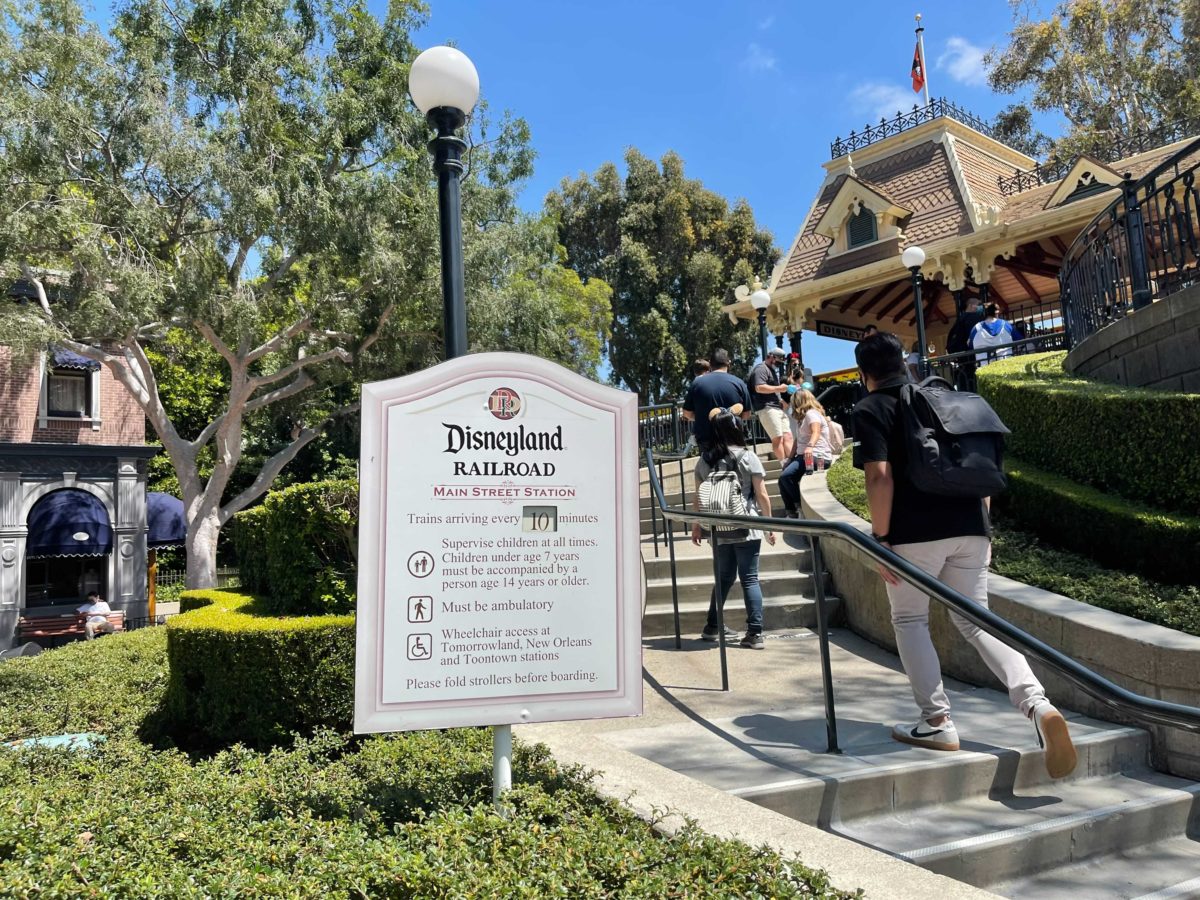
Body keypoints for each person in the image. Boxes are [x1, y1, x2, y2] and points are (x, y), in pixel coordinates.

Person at [851, 331, 1076, 778]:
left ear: (864, 374)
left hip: (913, 534)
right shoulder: (944, 397)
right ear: (903, 361)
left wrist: (879, 538)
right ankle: (1037, 704)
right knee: (977, 621)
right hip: (972, 526)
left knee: (910, 620)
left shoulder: (871, 407)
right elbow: (980, 469)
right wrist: (983, 528)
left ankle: (935, 722)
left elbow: (879, 477)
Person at [691, 405, 776, 650]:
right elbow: (762, 494)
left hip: (718, 526)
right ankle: (755, 632)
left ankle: (712, 627)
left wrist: (697, 525)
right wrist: (769, 525)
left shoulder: (705, 460)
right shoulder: (748, 457)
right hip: (746, 524)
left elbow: (698, 497)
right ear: (737, 428)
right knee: (749, 578)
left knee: (723, 578)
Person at [681, 348, 752, 453]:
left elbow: (687, 413)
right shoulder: (739, 383)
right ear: (729, 363)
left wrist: (706, 416)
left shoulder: (697, 384)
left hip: (707, 439)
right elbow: (747, 414)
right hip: (733, 438)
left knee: (709, 467)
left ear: (710, 364)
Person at [778, 389, 833, 518]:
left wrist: (810, 447)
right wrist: (789, 459)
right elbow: (798, 441)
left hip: (817, 455)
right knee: (782, 480)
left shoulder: (811, 414)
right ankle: (790, 512)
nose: (792, 406)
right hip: (803, 456)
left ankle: (799, 508)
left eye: (793, 402)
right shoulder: (801, 419)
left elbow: (816, 432)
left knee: (787, 476)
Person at [748, 347, 793, 462]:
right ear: (771, 357)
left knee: (788, 436)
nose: (779, 364)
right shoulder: (761, 369)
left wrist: (780, 400)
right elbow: (759, 387)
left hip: (776, 407)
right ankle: (784, 465)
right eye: (778, 361)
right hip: (766, 407)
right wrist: (780, 388)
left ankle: (793, 462)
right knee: (778, 438)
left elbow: (774, 389)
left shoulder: (772, 371)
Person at [682, 359, 711, 451]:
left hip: (703, 429)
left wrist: (699, 417)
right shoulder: (712, 382)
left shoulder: (694, 385)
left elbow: (687, 414)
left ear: (695, 372)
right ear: (708, 371)